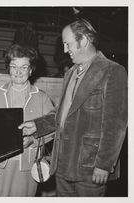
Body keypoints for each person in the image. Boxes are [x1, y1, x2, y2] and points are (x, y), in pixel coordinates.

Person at [19, 19, 127, 197]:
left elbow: (115, 125)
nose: (64, 50)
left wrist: (104, 164)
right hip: (62, 165)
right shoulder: (70, 73)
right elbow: (61, 115)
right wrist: (37, 126)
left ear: (84, 40)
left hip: (90, 168)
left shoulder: (113, 71)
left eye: (67, 44)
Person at [0, 44, 55, 196]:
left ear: (31, 70)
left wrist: (33, 140)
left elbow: (53, 129)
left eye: (24, 67)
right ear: (8, 68)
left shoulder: (42, 97)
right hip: (1, 163)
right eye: (14, 66)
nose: (18, 72)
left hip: (28, 164)